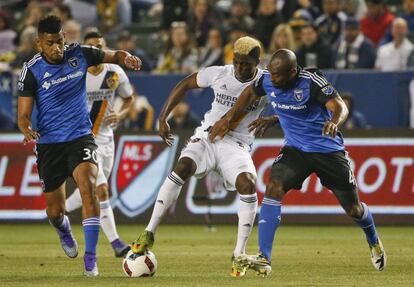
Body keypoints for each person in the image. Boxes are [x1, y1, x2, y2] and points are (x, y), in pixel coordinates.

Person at [209, 49, 386, 276]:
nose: (272, 79)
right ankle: (264, 257)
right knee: (273, 188)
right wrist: (229, 118)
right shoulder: (267, 79)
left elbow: (340, 106)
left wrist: (334, 122)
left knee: (353, 209)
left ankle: (373, 240)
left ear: (293, 71)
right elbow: (248, 94)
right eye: (271, 74)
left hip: (327, 150)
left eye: (278, 75)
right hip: (296, 150)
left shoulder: (311, 82)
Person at [131, 36, 276, 277]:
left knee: (248, 184)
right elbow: (184, 84)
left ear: (257, 62)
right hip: (208, 138)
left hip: (237, 145)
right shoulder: (219, 73)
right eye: (236, 62)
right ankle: (149, 232)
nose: (239, 68)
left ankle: (239, 254)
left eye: (245, 64)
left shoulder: (267, 82)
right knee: (183, 165)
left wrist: (272, 119)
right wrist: (163, 117)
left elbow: (291, 108)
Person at [17, 15, 141, 276]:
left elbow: (115, 55)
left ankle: (91, 258)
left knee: (90, 187)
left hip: (81, 137)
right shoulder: (31, 70)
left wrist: (126, 57)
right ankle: (63, 229)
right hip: (50, 144)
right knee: (55, 211)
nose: (58, 48)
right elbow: (23, 116)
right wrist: (28, 130)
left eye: (61, 41)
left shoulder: (81, 54)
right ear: (39, 43)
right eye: (51, 43)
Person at [64, 31, 135, 258]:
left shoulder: (115, 72)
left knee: (93, 190)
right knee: (101, 189)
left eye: (100, 46)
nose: (97, 51)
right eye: (92, 47)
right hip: (84, 137)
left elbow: (129, 98)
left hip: (107, 138)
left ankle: (59, 211)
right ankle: (116, 243)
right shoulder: (77, 73)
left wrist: (121, 115)